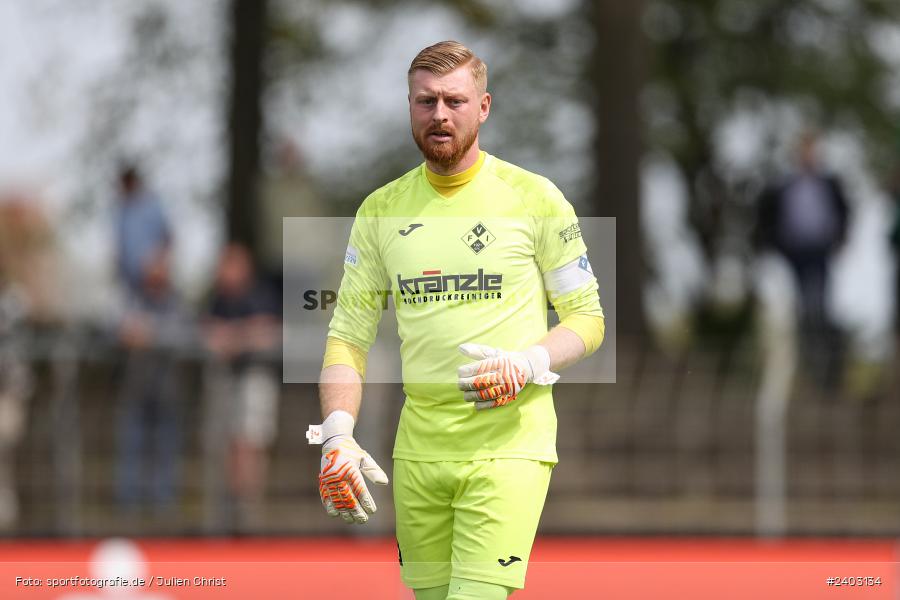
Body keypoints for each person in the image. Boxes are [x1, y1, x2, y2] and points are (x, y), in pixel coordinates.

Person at [309, 41, 605, 600]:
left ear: (483, 107)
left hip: (508, 447)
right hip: (418, 453)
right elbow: (346, 339)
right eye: (426, 101)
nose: (440, 114)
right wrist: (337, 436)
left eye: (455, 100)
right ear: (410, 107)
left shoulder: (536, 198)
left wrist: (528, 363)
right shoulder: (379, 210)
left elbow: (587, 320)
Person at [756, 132, 849, 389]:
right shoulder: (784, 186)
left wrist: (840, 239)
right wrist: (774, 245)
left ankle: (823, 370)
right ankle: (804, 368)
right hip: (792, 256)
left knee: (816, 308)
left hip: (819, 255)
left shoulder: (829, 184)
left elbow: (843, 212)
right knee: (797, 311)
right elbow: (768, 217)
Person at [201, 243, 280, 531]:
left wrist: (234, 338)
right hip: (225, 382)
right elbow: (207, 333)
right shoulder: (217, 300)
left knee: (251, 445)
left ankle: (249, 513)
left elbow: (267, 333)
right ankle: (228, 514)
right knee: (226, 448)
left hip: (254, 380)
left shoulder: (261, 295)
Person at [114, 165, 172, 297]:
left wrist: (158, 263)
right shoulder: (121, 211)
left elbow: (167, 236)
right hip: (129, 280)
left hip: (153, 278)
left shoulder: (152, 205)